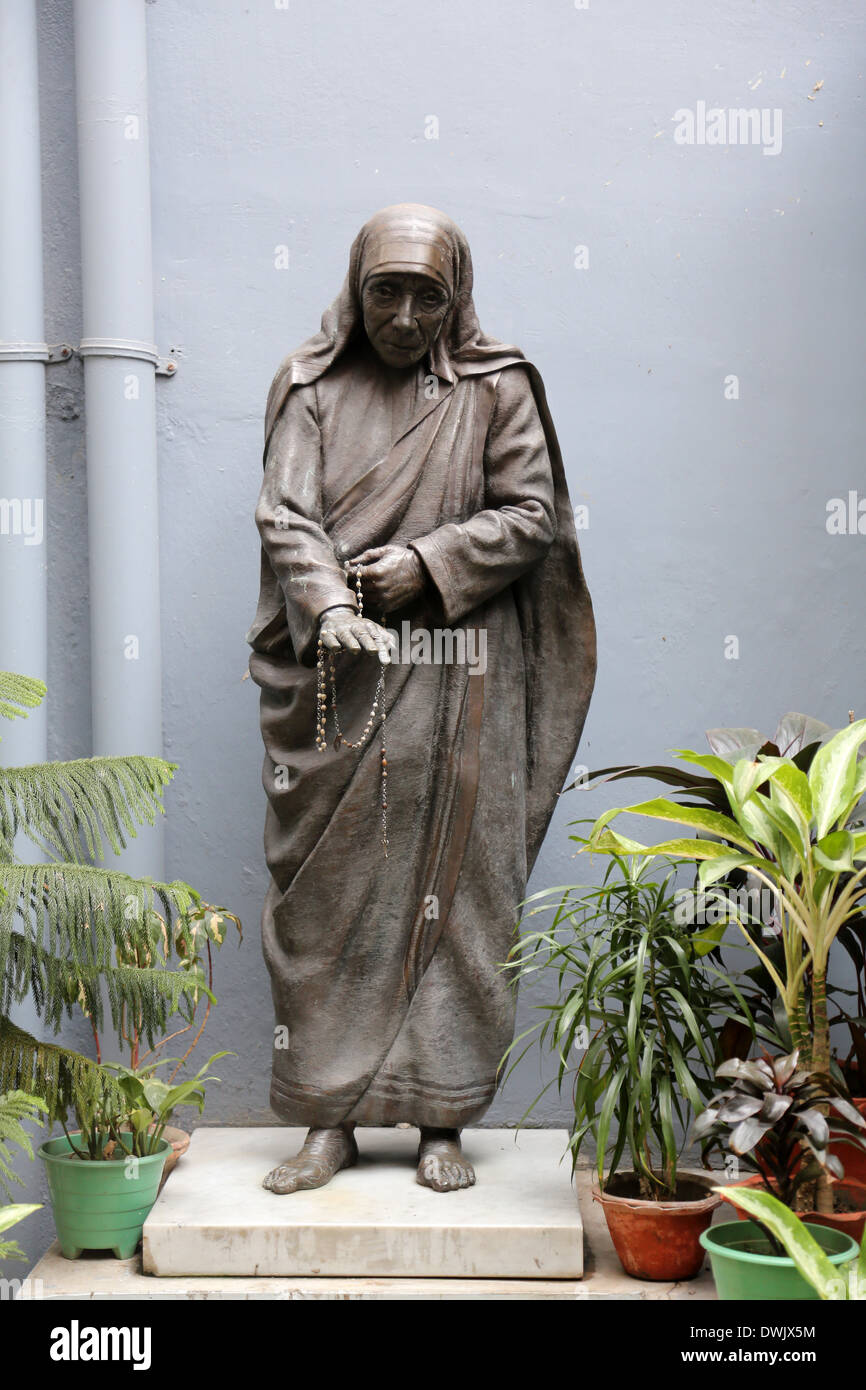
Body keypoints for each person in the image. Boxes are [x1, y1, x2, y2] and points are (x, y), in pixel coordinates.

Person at [247, 204, 596, 1193]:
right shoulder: (310, 385)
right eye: (384, 293)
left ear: (458, 300)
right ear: (355, 292)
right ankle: (329, 1117)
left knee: (461, 897)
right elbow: (285, 517)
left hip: (461, 681)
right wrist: (324, 605)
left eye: (425, 297)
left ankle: (441, 1113)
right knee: (329, 902)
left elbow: (530, 515)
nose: (403, 315)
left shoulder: (497, 388)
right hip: (344, 681)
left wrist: (425, 565)